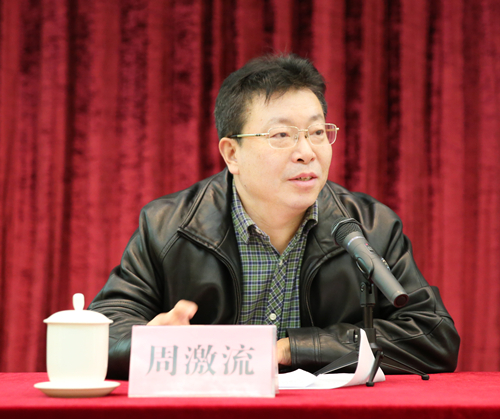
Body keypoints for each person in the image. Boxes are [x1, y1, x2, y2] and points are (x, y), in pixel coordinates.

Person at [89, 54, 460, 380]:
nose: (306, 151)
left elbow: (432, 335)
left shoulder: (370, 228)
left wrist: (292, 349)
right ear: (232, 153)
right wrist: (150, 342)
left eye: (317, 132)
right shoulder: (168, 227)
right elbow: (101, 333)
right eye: (281, 135)